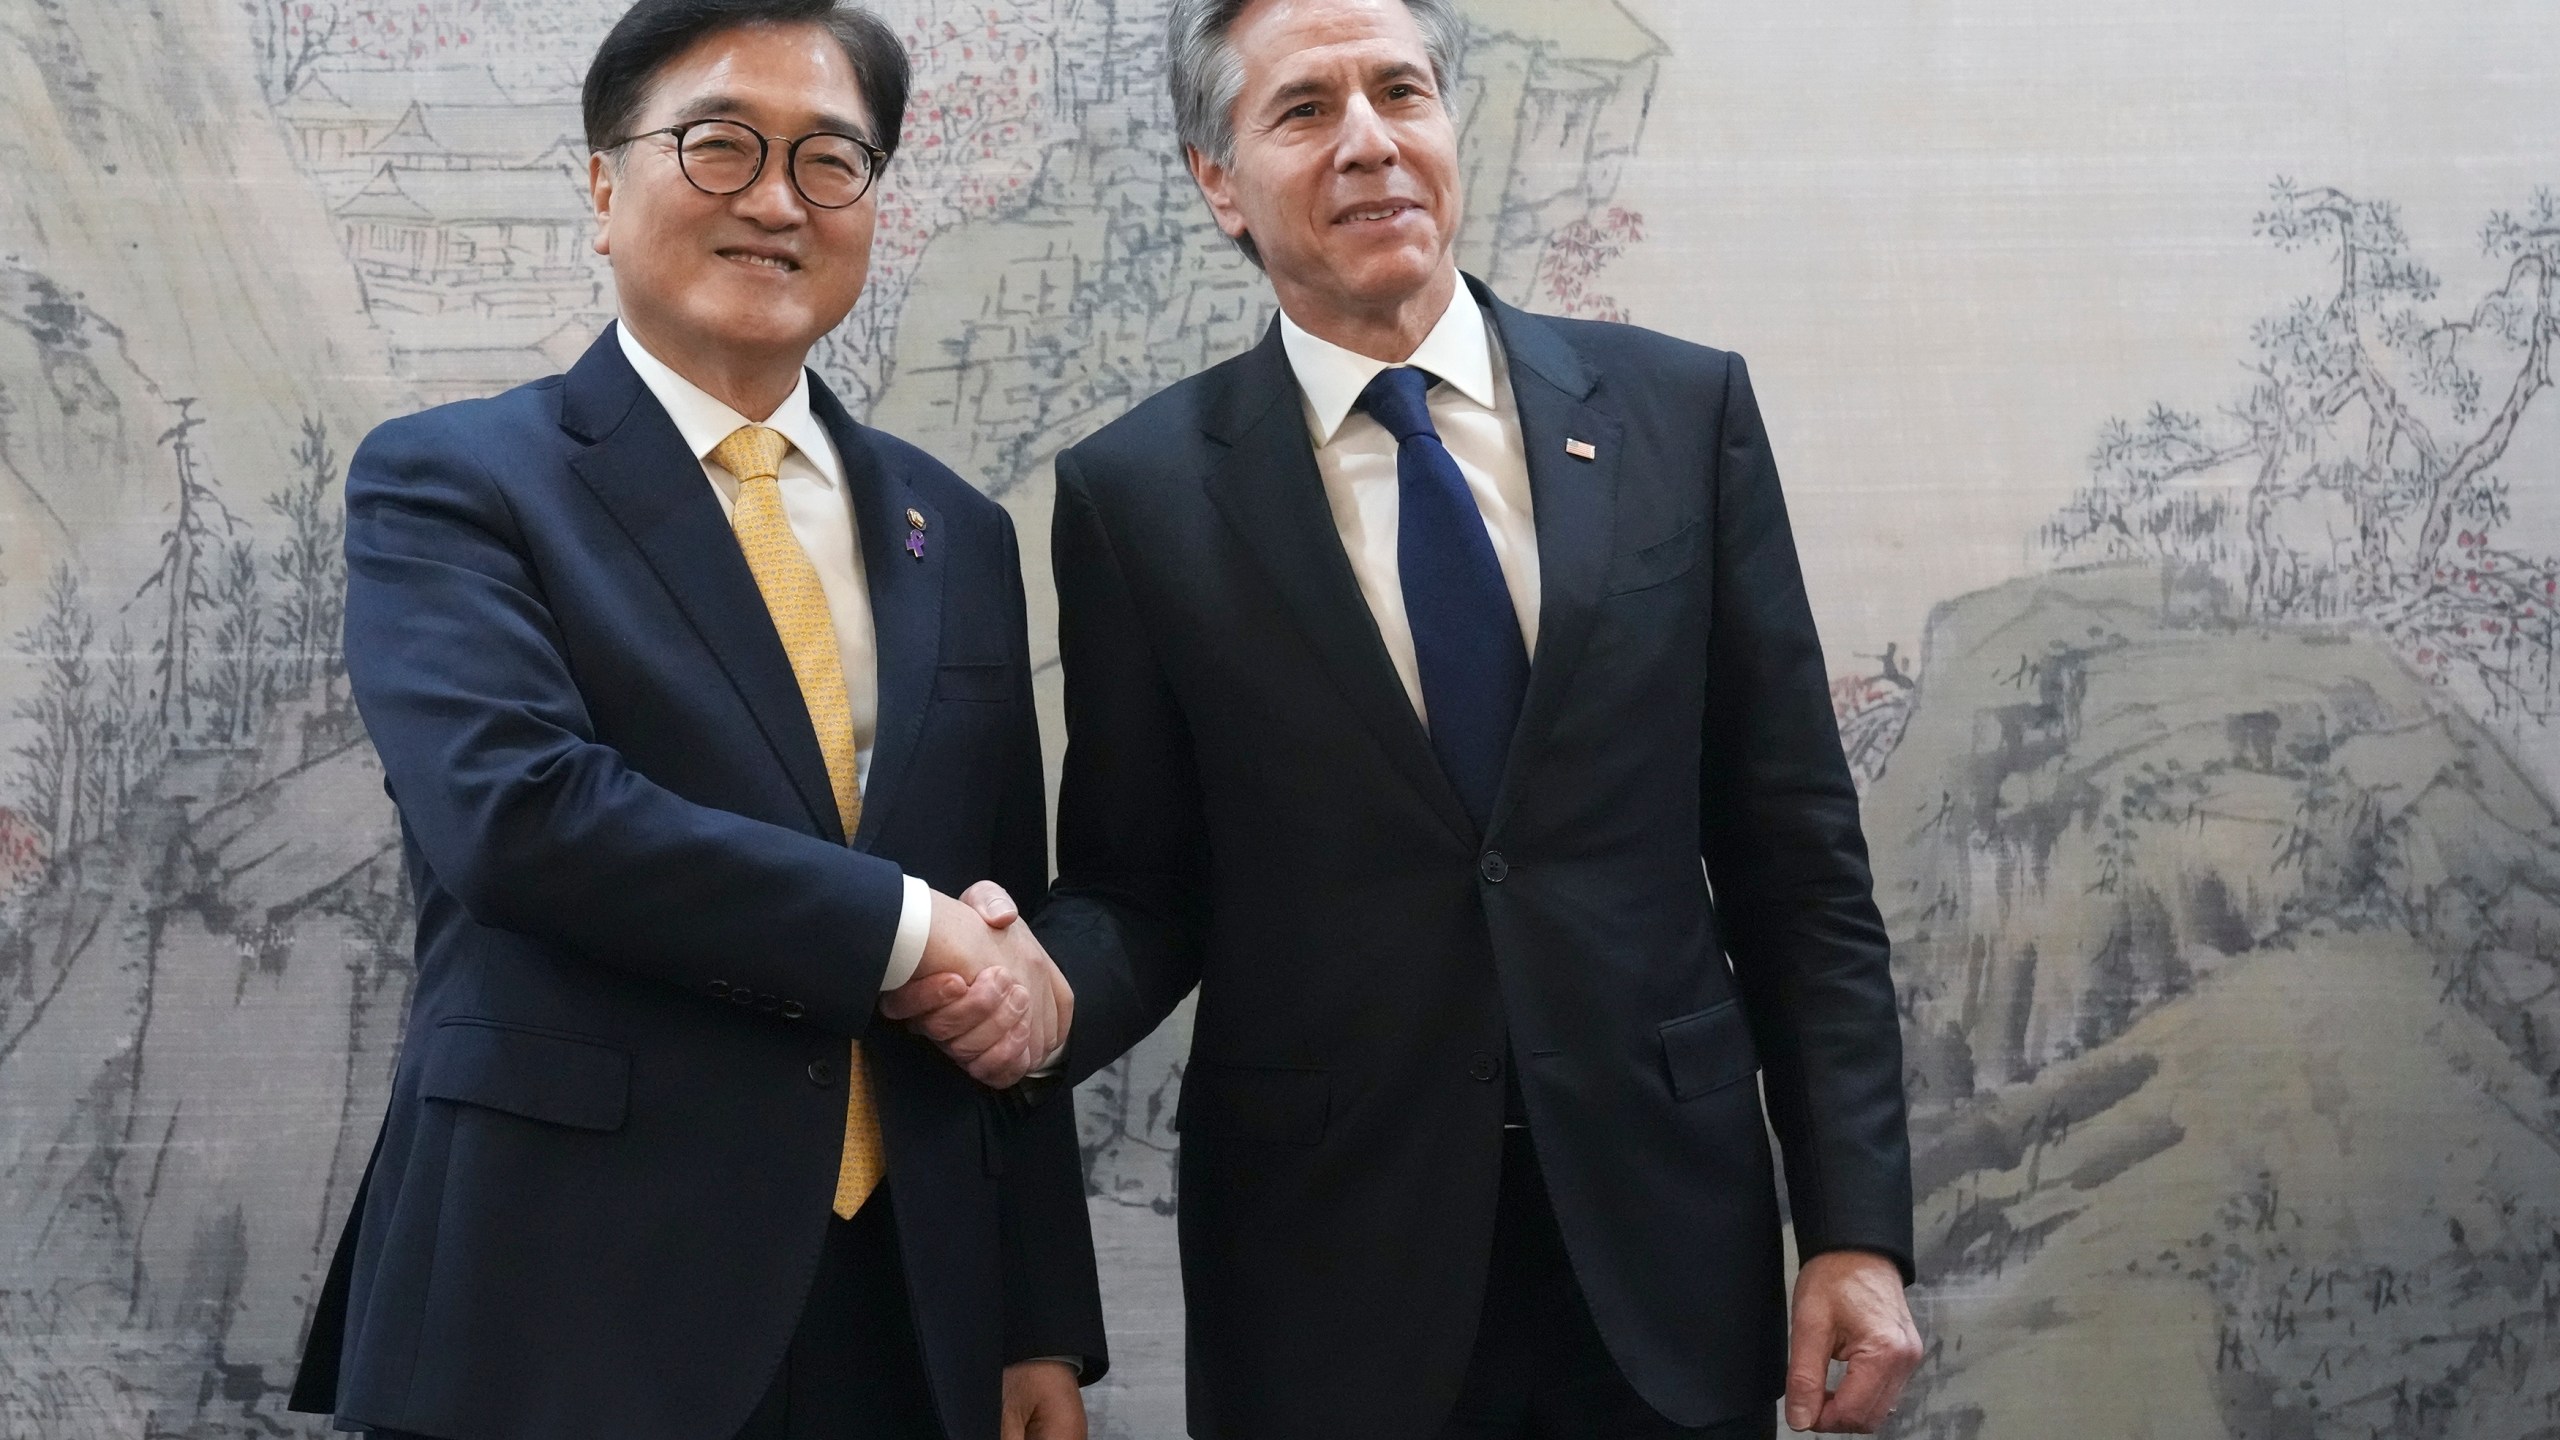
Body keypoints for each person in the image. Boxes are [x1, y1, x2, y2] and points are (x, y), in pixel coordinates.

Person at [1019, 0, 1921, 1434]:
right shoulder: (1136, 497)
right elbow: (1143, 888)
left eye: (1402, 92)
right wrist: (1029, 994)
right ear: (1217, 181)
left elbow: (1796, 865)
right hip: (1328, 1265)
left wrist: (1858, 1230)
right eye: (1305, 110)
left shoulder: (1680, 417)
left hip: (1660, 1243)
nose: (1371, 141)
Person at [286, 3, 1100, 1437]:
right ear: (605, 186)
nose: (777, 199)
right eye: (719, 146)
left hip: (901, 1308)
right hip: (561, 1295)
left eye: (828, 161)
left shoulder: (958, 533)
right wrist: (906, 935)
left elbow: (1003, 922)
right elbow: (518, 814)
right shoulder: (455, 483)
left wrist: (1037, 1320)